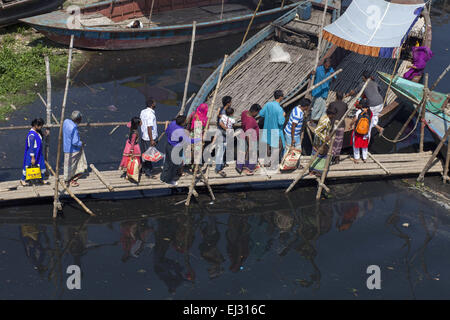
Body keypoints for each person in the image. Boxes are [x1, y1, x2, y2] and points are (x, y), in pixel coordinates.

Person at [160, 115, 200, 185]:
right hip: (174, 148)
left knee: (167, 163)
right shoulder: (180, 131)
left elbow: (166, 131)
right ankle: (169, 180)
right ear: (182, 123)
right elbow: (189, 141)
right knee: (173, 165)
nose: (186, 122)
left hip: (168, 145)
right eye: (185, 122)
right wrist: (199, 139)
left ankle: (163, 177)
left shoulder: (172, 123)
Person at [259, 90, 286, 169]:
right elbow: (281, 122)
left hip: (267, 129)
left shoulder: (268, 104)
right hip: (276, 131)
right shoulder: (279, 109)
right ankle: (273, 163)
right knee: (279, 147)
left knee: (268, 147)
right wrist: (283, 115)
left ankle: (267, 162)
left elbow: (261, 113)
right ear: (280, 97)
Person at [63, 110, 87, 187]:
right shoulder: (74, 128)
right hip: (73, 150)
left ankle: (66, 179)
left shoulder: (66, 122)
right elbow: (75, 142)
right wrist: (81, 143)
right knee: (73, 166)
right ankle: (71, 179)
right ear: (78, 119)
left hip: (66, 148)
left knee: (67, 164)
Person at [310, 108, 336, 177]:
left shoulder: (324, 117)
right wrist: (324, 138)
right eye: (333, 115)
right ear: (331, 114)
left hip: (319, 140)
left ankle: (313, 169)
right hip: (321, 141)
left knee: (316, 154)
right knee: (323, 155)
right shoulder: (326, 121)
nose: (334, 116)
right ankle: (319, 171)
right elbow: (316, 131)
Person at [236, 103, 261, 175]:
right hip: (250, 138)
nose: (257, 114)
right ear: (254, 111)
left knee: (243, 152)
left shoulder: (244, 113)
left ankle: (240, 166)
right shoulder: (250, 121)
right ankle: (248, 169)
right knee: (250, 153)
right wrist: (250, 144)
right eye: (257, 113)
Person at [21, 118, 47, 186]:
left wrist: (44, 134)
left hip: (38, 152)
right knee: (28, 166)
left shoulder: (37, 132)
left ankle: (42, 179)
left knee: (41, 164)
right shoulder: (31, 135)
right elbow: (31, 147)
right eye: (40, 126)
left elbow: (39, 138)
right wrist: (32, 157)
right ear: (35, 125)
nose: (41, 127)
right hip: (32, 152)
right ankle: (23, 179)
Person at [310, 58, 337, 122]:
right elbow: (311, 77)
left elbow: (334, 80)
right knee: (316, 106)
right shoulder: (318, 69)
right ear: (324, 64)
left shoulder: (331, 70)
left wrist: (332, 76)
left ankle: (318, 119)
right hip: (317, 90)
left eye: (328, 66)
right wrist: (312, 73)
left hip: (325, 91)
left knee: (323, 107)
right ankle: (313, 119)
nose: (327, 67)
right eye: (326, 66)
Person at [351, 99, 374, 163]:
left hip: (358, 131)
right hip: (366, 132)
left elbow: (355, 119)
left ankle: (356, 158)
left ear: (361, 105)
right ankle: (364, 158)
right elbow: (372, 121)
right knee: (364, 145)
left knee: (356, 145)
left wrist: (351, 124)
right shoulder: (370, 112)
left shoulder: (359, 111)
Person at [139, 98, 158, 177]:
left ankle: (143, 168)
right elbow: (149, 127)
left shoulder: (143, 111)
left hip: (144, 136)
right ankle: (148, 171)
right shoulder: (151, 114)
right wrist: (151, 140)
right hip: (149, 137)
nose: (155, 104)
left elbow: (141, 123)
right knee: (149, 155)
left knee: (145, 153)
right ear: (152, 105)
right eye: (154, 103)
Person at [216, 107, 236, 177]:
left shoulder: (223, 116)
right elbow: (232, 126)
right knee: (222, 150)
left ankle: (221, 164)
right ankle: (218, 168)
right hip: (228, 134)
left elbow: (220, 121)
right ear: (232, 114)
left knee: (221, 149)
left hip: (222, 132)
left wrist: (218, 111)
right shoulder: (233, 120)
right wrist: (228, 129)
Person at [328, 92, 347, 164]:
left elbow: (329, 113)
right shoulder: (345, 105)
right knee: (339, 142)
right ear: (342, 97)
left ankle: (331, 156)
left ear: (336, 97)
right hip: (341, 125)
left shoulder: (332, 104)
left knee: (332, 141)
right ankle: (337, 157)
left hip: (333, 125)